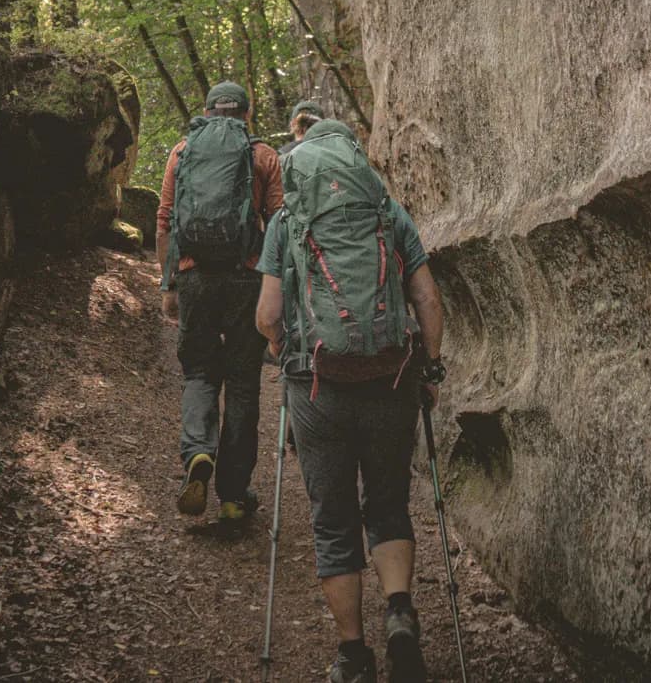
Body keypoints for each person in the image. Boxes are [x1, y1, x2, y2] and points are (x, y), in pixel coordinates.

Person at [255, 118, 446, 683]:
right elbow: (428, 299)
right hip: (391, 383)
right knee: (388, 505)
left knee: (332, 521)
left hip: (318, 389)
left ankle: (353, 657)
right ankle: (399, 613)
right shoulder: (389, 214)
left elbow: (266, 315)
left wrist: (282, 350)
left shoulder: (286, 222)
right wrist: (429, 370)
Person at [156, 81, 284, 525]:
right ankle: (232, 495)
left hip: (195, 279)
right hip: (247, 278)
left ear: (207, 112)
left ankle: (197, 453)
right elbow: (280, 222)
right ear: (246, 115)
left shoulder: (182, 151)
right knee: (244, 383)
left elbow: (165, 221)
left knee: (198, 372)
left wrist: (169, 284)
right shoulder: (264, 156)